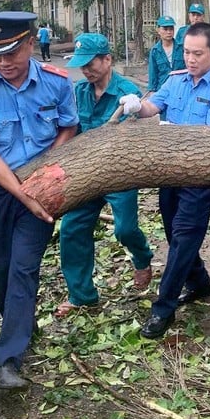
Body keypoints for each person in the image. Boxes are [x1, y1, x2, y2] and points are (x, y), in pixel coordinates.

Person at [0, 11, 78, 390]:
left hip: (39, 189)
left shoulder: (57, 82)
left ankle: (6, 361)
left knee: (24, 268)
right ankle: (21, 326)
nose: (3, 63)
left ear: (30, 44)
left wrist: (42, 176)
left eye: (11, 53)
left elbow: (68, 126)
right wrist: (23, 193)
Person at [119, 22, 210, 339]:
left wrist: (172, 135)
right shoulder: (175, 82)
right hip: (169, 173)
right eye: (186, 52)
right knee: (175, 234)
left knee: (184, 237)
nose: (190, 58)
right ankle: (200, 282)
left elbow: (208, 139)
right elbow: (152, 106)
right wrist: (136, 105)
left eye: (198, 53)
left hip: (199, 178)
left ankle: (163, 308)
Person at [56, 33, 154, 316]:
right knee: (72, 229)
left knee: (124, 229)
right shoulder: (79, 92)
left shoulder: (128, 93)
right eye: (82, 65)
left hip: (120, 174)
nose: (86, 70)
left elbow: (140, 138)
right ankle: (82, 295)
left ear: (108, 59)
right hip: (87, 173)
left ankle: (142, 256)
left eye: (91, 64)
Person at [147, 16, 185, 91]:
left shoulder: (182, 48)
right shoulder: (155, 51)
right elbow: (153, 74)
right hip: (162, 89)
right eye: (165, 29)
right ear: (158, 30)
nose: (169, 32)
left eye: (171, 29)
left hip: (180, 88)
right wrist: (152, 91)